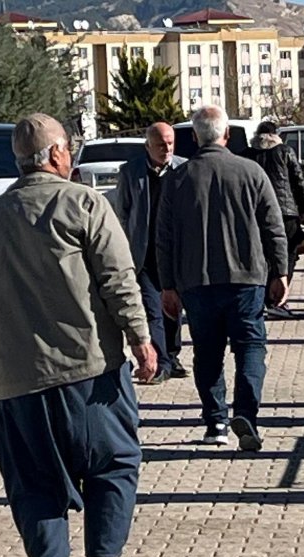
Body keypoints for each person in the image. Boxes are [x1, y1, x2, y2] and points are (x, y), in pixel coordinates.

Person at [0, 113, 155, 557]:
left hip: (15, 381)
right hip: (88, 372)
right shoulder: (83, 203)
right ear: (59, 155)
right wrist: (141, 339)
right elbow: (117, 279)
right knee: (113, 463)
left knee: (33, 479)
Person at [157, 105, 289, 452]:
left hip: (196, 281)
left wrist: (167, 284)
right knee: (250, 347)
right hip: (247, 278)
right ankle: (246, 412)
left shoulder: (176, 179)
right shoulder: (251, 172)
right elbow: (273, 227)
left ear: (197, 137)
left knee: (207, 352)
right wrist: (282, 271)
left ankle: (216, 421)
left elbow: (164, 238)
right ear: (226, 134)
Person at [116, 122, 188, 383]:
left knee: (172, 308)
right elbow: (122, 213)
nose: (166, 148)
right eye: (160, 144)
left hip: (174, 254)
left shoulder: (184, 168)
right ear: (148, 146)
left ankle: (172, 354)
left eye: (170, 143)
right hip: (144, 255)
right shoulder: (130, 172)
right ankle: (161, 364)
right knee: (152, 309)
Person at [242, 121, 304, 318]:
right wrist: (303, 209)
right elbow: (298, 181)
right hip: (286, 212)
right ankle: (280, 299)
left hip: (256, 213)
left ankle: (262, 299)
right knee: (287, 255)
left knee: (261, 256)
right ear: (276, 134)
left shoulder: (247, 154)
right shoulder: (285, 151)